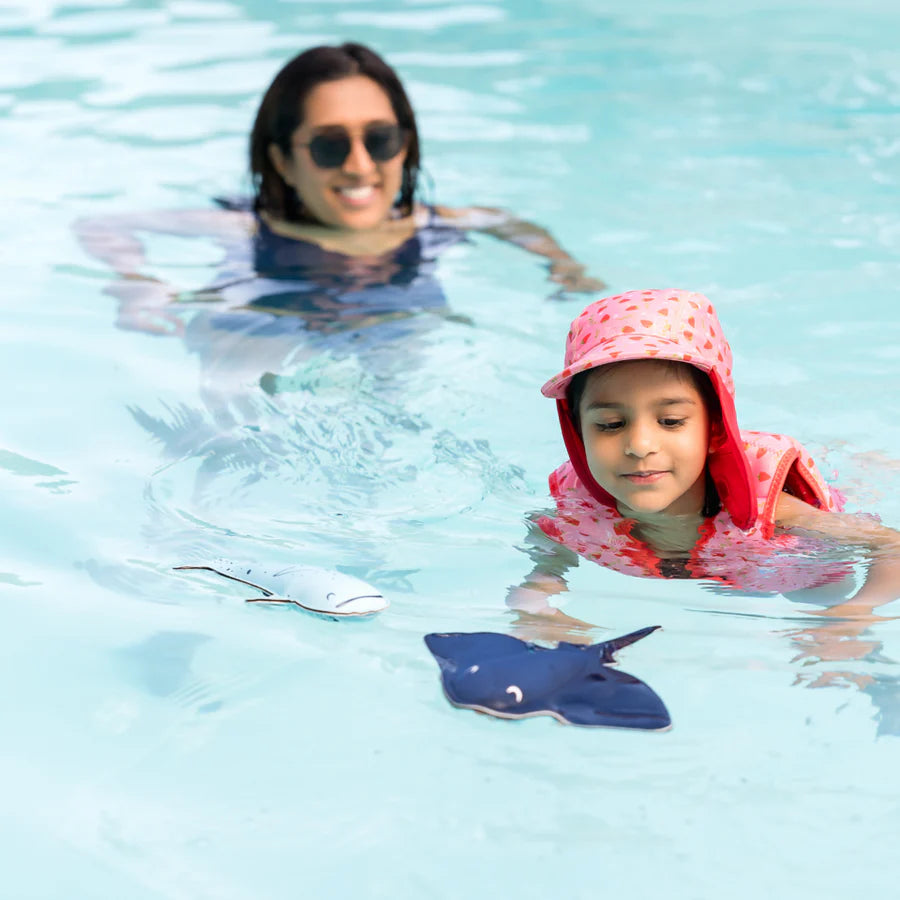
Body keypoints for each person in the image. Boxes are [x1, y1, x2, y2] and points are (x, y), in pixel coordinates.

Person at [75, 42, 604, 339]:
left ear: (405, 145)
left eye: (380, 140)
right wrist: (134, 282)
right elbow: (99, 225)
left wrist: (563, 265)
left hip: (397, 334)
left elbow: (508, 223)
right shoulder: (246, 228)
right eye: (329, 146)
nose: (359, 166)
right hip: (271, 330)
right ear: (283, 161)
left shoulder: (435, 221)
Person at [507, 288, 900, 635]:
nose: (639, 446)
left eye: (671, 421)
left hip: (781, 561)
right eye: (610, 425)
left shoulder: (775, 511)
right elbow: (544, 560)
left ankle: (868, 464)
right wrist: (534, 603)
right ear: (578, 433)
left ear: (714, 427)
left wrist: (856, 613)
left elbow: (892, 548)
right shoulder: (576, 506)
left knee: (819, 594)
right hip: (723, 568)